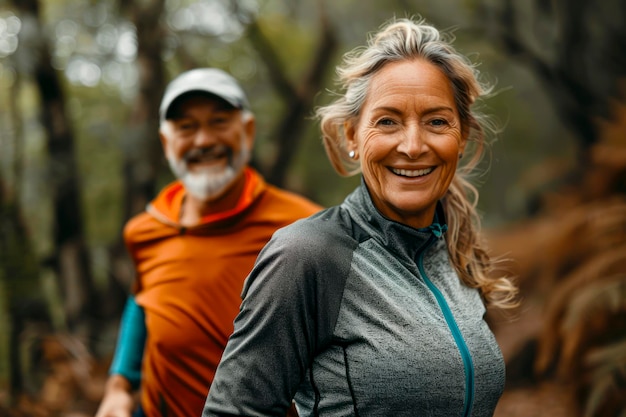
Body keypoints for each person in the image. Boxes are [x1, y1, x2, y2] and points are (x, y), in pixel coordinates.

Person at [202, 17, 519, 417]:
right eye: (387, 121)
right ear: (352, 135)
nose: (413, 145)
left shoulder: (453, 247)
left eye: (437, 121)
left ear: (462, 136)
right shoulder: (307, 256)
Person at [94, 68, 322, 417]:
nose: (203, 140)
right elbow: (141, 301)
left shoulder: (307, 227)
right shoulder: (145, 230)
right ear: (166, 142)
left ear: (247, 130)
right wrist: (118, 386)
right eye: (186, 127)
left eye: (219, 121)